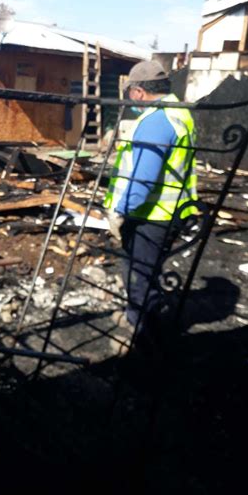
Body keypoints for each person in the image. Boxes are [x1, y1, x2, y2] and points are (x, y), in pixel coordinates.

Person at [104, 60, 198, 341]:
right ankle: (138, 320)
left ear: (138, 92)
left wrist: (120, 211)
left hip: (151, 215)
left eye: (130, 91)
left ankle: (146, 338)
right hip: (170, 211)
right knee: (144, 272)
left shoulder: (156, 121)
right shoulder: (177, 112)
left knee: (139, 277)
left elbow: (144, 177)